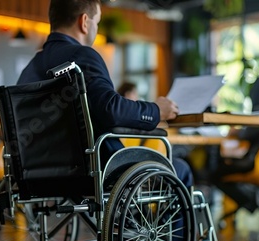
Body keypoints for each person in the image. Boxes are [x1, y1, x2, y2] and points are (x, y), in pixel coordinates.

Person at [17, 0, 192, 189]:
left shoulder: (30, 69)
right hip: (97, 170)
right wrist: (156, 110)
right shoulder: (82, 56)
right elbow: (111, 109)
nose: (96, 28)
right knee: (180, 169)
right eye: (97, 22)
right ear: (84, 22)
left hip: (39, 174)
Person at [211, 74, 259, 213]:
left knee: (215, 173)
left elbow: (247, 135)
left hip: (256, 164)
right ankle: (252, 200)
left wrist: (237, 132)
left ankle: (249, 201)